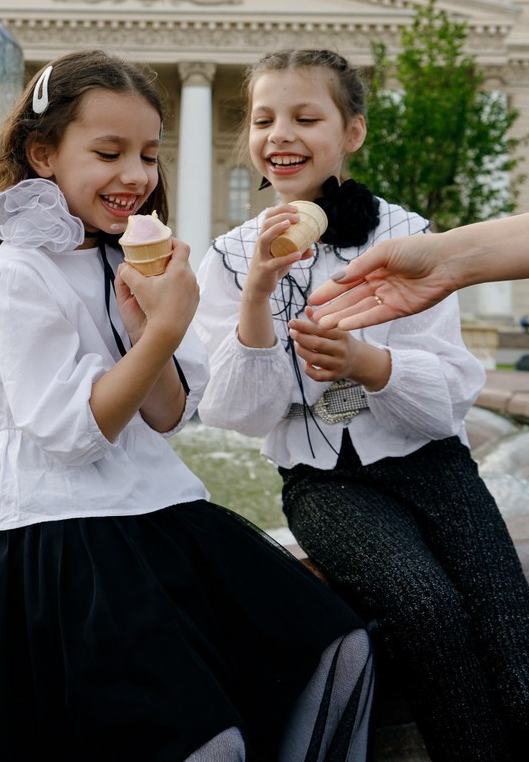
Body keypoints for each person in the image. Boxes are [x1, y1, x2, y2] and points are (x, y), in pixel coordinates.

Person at [0, 49, 373, 762]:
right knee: (207, 743)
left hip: (154, 506)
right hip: (56, 525)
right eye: (109, 152)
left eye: (148, 155)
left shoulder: (124, 256)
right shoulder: (18, 270)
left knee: (342, 647)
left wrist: (152, 330)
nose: (136, 176)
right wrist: (169, 329)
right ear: (43, 152)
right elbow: (73, 431)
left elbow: (168, 415)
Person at [194, 48, 529, 762]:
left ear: (353, 132)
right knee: (424, 608)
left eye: (305, 117)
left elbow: (445, 405)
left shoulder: (404, 235)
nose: (279, 133)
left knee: (510, 626)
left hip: (434, 466)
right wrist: (256, 295)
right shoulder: (227, 259)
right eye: (263, 119)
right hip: (324, 486)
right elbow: (234, 412)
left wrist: (366, 364)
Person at [306, 212, 529, 330]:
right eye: (268, 122)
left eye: (307, 121)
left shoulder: (402, 224)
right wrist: (444, 260)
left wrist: (445, 259)